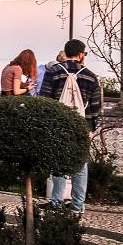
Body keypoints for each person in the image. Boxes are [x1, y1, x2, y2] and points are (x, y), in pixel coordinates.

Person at [39, 39, 102, 215]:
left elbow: (44, 101)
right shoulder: (91, 76)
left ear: (66, 53)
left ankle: (56, 202)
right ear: (81, 54)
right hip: (81, 127)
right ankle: (77, 205)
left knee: (58, 163)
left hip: (58, 126)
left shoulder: (54, 72)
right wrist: (90, 128)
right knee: (80, 165)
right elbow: (95, 107)